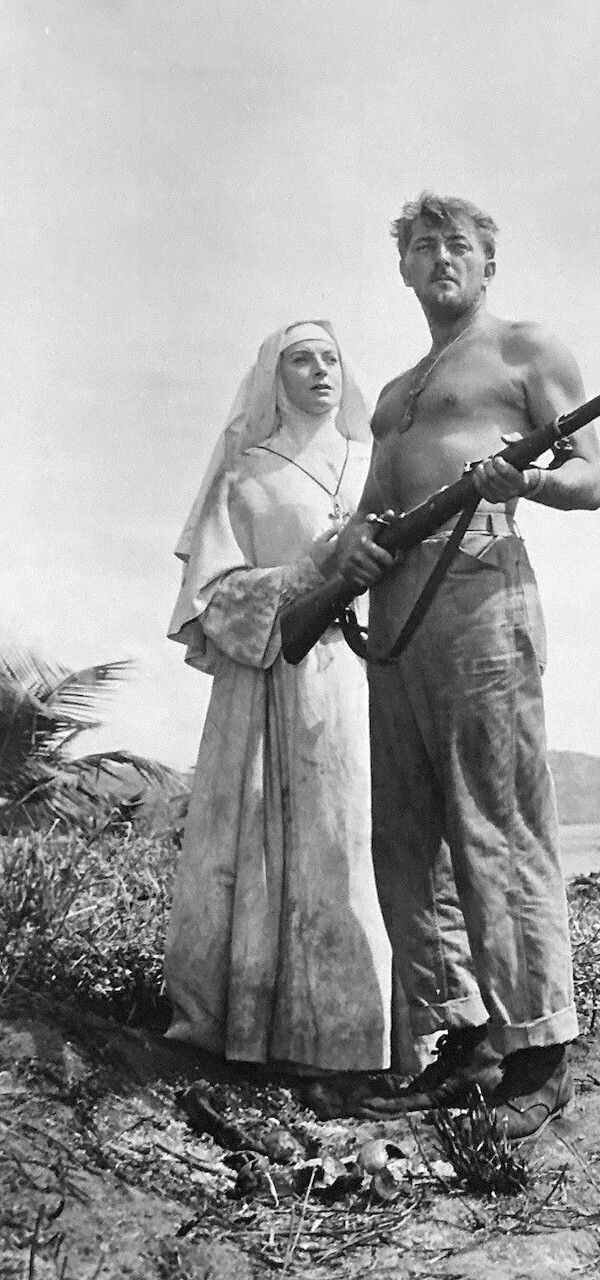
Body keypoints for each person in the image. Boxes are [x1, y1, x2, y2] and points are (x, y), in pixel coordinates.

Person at [333, 193, 600, 1140]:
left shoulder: (526, 349)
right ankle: (463, 1039)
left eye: (458, 244)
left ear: (489, 263)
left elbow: (591, 479)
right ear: (403, 268)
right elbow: (372, 507)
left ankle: (539, 1053)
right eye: (422, 244)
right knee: (407, 834)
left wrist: (526, 478)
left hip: (481, 591)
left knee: (498, 821)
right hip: (396, 611)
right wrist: (353, 547)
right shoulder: (394, 392)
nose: (440, 256)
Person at [164, 320, 398, 1086]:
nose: (321, 370)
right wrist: (306, 574)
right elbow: (213, 594)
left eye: (330, 357)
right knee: (278, 850)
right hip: (273, 681)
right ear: (274, 377)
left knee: (358, 845)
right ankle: (269, 1030)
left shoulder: (374, 461)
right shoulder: (248, 475)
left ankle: (369, 1036)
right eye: (301, 359)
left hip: (368, 676)